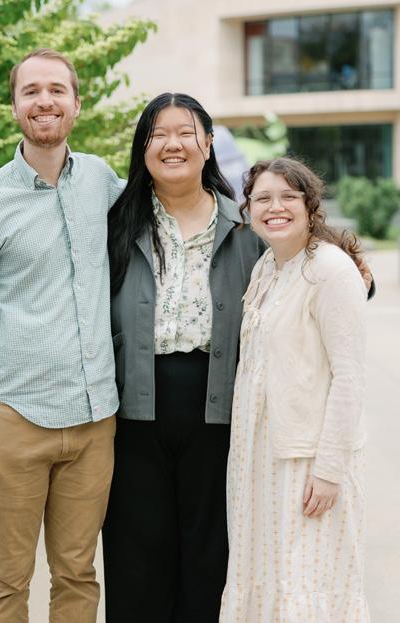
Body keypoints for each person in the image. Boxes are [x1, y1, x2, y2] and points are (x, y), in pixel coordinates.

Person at [0, 49, 123, 622]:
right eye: (31, 91)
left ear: (76, 103)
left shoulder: (100, 180)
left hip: (94, 421)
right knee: (7, 580)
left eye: (56, 90)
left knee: (78, 574)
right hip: (14, 422)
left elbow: (173, 206)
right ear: (14, 107)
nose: (44, 101)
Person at [102, 93, 267, 623]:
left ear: (208, 143)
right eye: (158, 134)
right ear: (142, 147)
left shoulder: (246, 225)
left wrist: (357, 273)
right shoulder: (116, 221)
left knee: (209, 552)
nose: (172, 144)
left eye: (185, 132)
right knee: (137, 555)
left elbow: (304, 256)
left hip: (218, 405)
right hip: (134, 405)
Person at [220, 157, 370, 622]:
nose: (275, 207)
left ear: (310, 206)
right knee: (268, 579)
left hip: (306, 462)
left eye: (288, 196)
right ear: (248, 209)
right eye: (263, 198)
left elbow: (349, 378)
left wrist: (328, 470)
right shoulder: (267, 266)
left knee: (305, 584)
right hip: (259, 458)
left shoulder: (330, 269)